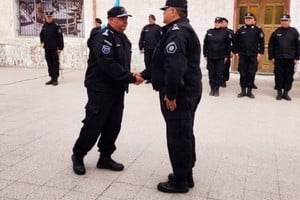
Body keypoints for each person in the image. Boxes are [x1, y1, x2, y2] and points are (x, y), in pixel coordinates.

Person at [71, 6, 143, 175]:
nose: (125, 21)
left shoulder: (123, 39)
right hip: (100, 89)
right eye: (121, 18)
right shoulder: (103, 38)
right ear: (111, 20)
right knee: (94, 123)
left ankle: (105, 157)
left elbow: (121, 64)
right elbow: (107, 64)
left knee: (113, 124)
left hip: (117, 89)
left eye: (126, 18)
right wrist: (131, 78)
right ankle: (78, 155)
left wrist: (130, 76)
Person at [140, 0, 202, 193]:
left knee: (177, 135)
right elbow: (162, 62)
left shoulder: (177, 32)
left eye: (165, 10)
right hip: (187, 90)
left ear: (173, 11)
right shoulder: (179, 29)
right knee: (185, 132)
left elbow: (175, 67)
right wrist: (144, 75)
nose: (163, 14)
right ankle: (186, 174)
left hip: (180, 94)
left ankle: (180, 182)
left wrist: (171, 94)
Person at [268, 14, 300, 101]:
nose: (284, 22)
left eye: (286, 20)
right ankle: (279, 92)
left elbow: (298, 45)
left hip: (290, 58)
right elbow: (271, 45)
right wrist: (272, 57)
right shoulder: (276, 31)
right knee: (278, 75)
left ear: (289, 21)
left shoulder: (294, 32)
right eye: (282, 20)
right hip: (278, 58)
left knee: (289, 76)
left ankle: (286, 92)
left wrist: (297, 57)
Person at [233, 12, 264, 98]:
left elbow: (262, 43)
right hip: (242, 55)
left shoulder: (258, 30)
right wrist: (236, 52)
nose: (248, 20)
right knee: (243, 73)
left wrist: (260, 53)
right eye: (246, 18)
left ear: (254, 20)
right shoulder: (240, 30)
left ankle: (249, 91)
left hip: (253, 55)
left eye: (250, 18)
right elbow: (235, 42)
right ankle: (243, 90)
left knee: (251, 73)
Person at [203, 17, 231, 96]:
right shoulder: (209, 32)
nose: (217, 24)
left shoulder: (225, 33)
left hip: (220, 57)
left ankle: (216, 89)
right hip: (211, 57)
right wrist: (205, 54)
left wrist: (226, 56)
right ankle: (212, 88)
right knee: (211, 73)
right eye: (216, 22)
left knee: (218, 73)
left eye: (219, 22)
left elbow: (228, 45)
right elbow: (205, 44)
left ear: (221, 23)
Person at [40, 10, 64, 86]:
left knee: (55, 64)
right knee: (49, 63)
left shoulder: (56, 26)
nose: (49, 18)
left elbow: (60, 37)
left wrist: (60, 48)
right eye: (47, 17)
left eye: (50, 17)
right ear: (46, 17)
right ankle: (51, 78)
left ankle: (55, 79)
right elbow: (41, 35)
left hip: (54, 49)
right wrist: (42, 42)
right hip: (47, 48)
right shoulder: (44, 26)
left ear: (52, 17)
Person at [138, 14, 161, 84]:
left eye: (151, 19)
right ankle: (149, 78)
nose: (150, 20)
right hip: (147, 49)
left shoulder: (158, 28)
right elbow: (142, 38)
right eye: (149, 19)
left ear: (154, 19)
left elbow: (162, 38)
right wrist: (140, 47)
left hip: (155, 49)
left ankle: (155, 77)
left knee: (155, 63)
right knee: (147, 63)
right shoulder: (145, 28)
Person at [220, 17, 234, 87]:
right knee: (219, 67)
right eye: (222, 22)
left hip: (227, 52)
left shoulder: (230, 32)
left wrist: (232, 51)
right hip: (219, 52)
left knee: (226, 67)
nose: (223, 24)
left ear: (227, 23)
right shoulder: (217, 31)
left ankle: (224, 80)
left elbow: (234, 42)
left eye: (224, 22)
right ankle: (219, 79)